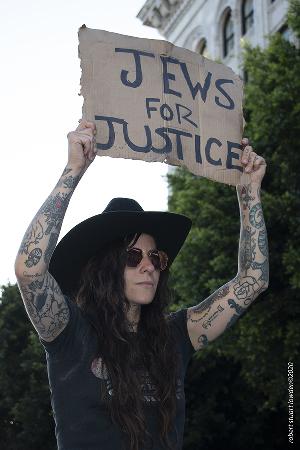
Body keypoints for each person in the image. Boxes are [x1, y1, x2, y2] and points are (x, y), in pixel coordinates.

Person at [14, 119, 269, 450]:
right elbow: (29, 270)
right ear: (107, 268)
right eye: (133, 256)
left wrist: (249, 194)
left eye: (156, 258)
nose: (149, 266)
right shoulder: (70, 331)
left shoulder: (177, 335)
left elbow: (253, 279)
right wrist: (74, 169)